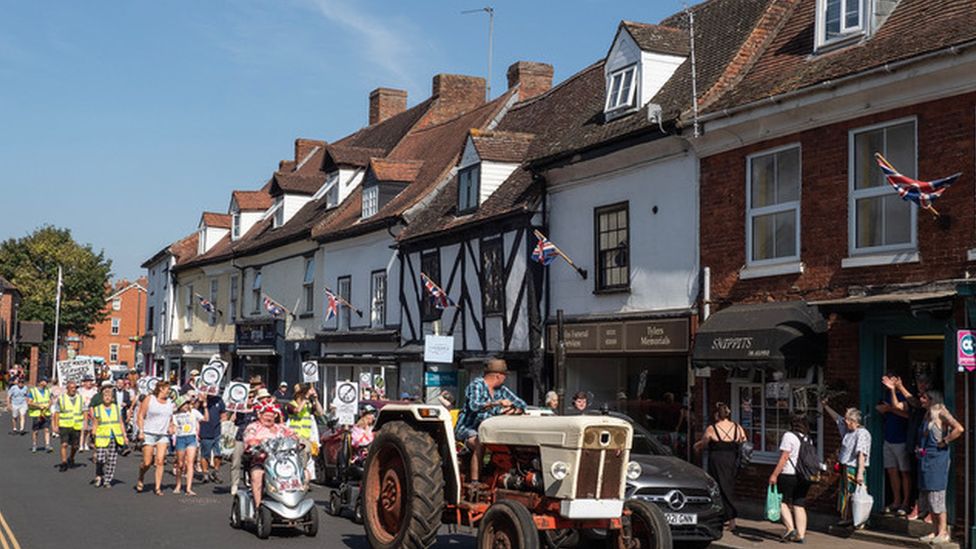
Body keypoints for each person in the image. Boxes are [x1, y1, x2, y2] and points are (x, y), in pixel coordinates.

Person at [895, 389, 962, 543]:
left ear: (933, 399)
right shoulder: (927, 414)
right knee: (929, 497)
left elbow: (959, 428)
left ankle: (943, 532)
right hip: (926, 459)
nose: (921, 400)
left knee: (937, 496)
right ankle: (934, 531)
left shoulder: (941, 412)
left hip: (938, 460)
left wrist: (945, 440)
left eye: (924, 397)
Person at [455, 358, 527, 483]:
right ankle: (475, 481)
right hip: (469, 428)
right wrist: (497, 403)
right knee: (480, 442)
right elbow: (474, 405)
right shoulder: (476, 385)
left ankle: (499, 474)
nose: (505, 379)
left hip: (490, 430)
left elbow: (522, 404)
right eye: (504, 376)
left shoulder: (502, 390)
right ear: (498, 376)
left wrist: (514, 410)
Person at [694, 402, 746, 531]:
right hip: (732, 460)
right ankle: (731, 520)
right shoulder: (737, 427)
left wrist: (697, 446)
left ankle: (723, 517)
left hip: (717, 460)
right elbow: (743, 439)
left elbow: (705, 442)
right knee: (729, 487)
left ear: (717, 414)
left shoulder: (712, 428)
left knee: (719, 488)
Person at [823, 399, 871, 526]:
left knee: (854, 493)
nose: (845, 421)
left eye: (848, 420)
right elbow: (837, 419)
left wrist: (860, 473)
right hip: (846, 467)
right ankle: (848, 517)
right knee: (847, 493)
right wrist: (826, 406)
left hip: (854, 468)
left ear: (854, 421)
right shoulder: (848, 431)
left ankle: (858, 519)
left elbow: (862, 454)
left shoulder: (862, 433)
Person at [769, 414, 815, 543]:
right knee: (799, 504)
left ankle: (790, 529)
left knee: (781, 501)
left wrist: (774, 474)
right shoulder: (807, 438)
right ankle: (801, 535)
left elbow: (784, 457)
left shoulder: (788, 436)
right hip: (804, 475)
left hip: (789, 473)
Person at [243, 399, 298, 509]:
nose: (269, 418)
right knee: (257, 475)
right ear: (260, 415)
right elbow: (250, 440)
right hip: (261, 462)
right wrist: (258, 443)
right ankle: (258, 507)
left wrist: (295, 440)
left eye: (272, 416)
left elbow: (294, 437)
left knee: (304, 474)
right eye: (266, 415)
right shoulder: (253, 427)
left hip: (283, 464)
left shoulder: (281, 428)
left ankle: (293, 504)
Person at [877, 374, 911, 515]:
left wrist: (890, 408)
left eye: (890, 380)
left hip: (901, 439)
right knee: (892, 471)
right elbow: (879, 408)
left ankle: (906, 502)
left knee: (904, 472)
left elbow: (906, 413)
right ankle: (896, 500)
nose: (887, 383)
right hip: (888, 438)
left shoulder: (905, 396)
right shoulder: (885, 394)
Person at [136, 380, 175, 495]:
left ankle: (158, 487)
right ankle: (141, 476)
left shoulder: (169, 402)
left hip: (162, 434)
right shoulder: (150, 399)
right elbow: (140, 415)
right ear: (161, 388)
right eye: (167, 388)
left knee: (160, 460)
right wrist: (141, 431)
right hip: (149, 432)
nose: (169, 391)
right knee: (147, 462)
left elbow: (170, 418)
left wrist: (171, 426)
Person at [230, 385, 266, 496]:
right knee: (236, 461)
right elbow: (232, 420)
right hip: (240, 438)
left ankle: (252, 482)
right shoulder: (240, 409)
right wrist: (235, 412)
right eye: (248, 397)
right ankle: (234, 484)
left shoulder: (257, 410)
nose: (250, 399)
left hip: (253, 440)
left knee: (253, 462)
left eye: (252, 397)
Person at [92, 385, 127, 487]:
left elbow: (120, 423)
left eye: (109, 396)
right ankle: (99, 475)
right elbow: (95, 423)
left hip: (114, 437)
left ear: (112, 398)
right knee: (100, 459)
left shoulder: (116, 409)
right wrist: (93, 435)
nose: (107, 398)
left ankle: (107, 480)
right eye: (105, 396)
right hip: (101, 437)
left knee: (111, 460)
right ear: (102, 398)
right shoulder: (98, 409)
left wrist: (124, 435)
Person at [172, 394, 207, 495]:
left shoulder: (193, 412)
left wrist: (205, 407)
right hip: (181, 438)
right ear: (180, 406)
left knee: (190, 462)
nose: (187, 405)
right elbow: (174, 426)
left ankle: (188, 488)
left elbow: (205, 419)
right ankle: (178, 484)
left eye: (187, 403)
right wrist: (172, 430)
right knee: (180, 464)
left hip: (191, 437)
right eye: (184, 404)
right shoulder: (175, 415)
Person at [54, 381, 84, 472]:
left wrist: (85, 422)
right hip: (64, 425)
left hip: (76, 425)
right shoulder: (62, 398)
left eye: (75, 388)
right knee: (64, 444)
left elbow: (85, 410)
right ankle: (64, 462)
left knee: (75, 446)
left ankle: (71, 457)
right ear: (67, 389)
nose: (73, 389)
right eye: (71, 388)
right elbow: (57, 412)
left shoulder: (80, 398)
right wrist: (56, 425)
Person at [198, 393, 227, 484]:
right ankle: (205, 474)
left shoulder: (219, 399)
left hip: (217, 431)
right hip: (205, 430)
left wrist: (224, 421)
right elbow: (193, 410)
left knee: (218, 454)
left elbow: (223, 414)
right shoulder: (200, 400)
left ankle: (216, 472)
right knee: (205, 454)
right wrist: (202, 401)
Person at [27, 376, 53, 453]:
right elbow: (29, 402)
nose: (46, 383)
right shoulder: (33, 391)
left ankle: (47, 445)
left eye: (47, 381)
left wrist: (49, 405)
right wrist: (38, 406)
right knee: (36, 431)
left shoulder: (48, 390)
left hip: (46, 413)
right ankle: (35, 444)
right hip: (37, 413)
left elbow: (50, 400)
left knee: (47, 429)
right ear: (40, 382)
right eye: (45, 381)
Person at [78, 376, 98, 451]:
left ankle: (86, 443)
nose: (89, 383)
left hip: (91, 411)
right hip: (82, 411)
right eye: (88, 381)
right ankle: (80, 444)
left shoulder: (94, 391)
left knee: (89, 429)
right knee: (83, 428)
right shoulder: (80, 391)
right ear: (84, 382)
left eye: (90, 381)